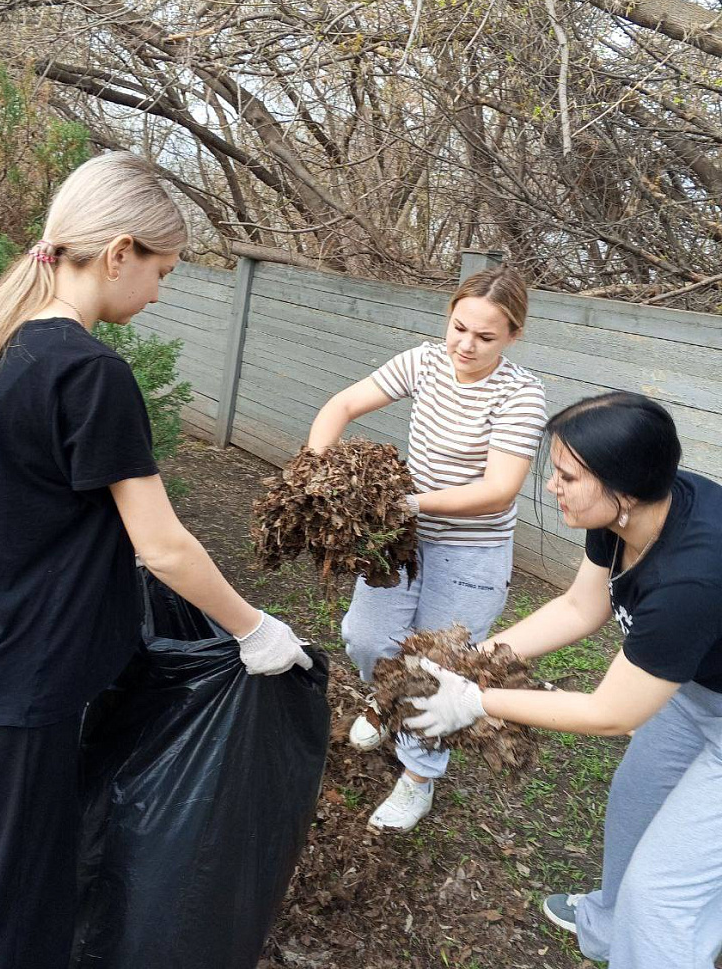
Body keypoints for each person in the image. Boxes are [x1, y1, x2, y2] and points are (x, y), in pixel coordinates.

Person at [0, 152, 311, 969]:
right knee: (7, 897)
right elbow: (161, 544)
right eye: (161, 269)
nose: (159, 291)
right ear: (119, 252)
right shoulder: (90, 373)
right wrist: (255, 629)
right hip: (22, 672)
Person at [404, 391, 722, 969]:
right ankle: (607, 927)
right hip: (696, 688)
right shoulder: (627, 512)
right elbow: (581, 607)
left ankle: (652, 938)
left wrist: (476, 699)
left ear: (622, 490)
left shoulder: (693, 579)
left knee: (663, 899)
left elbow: (612, 714)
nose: (552, 486)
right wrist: (470, 659)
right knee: (634, 801)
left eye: (566, 476)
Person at [306, 265, 547, 830]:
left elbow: (498, 490)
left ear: (513, 335)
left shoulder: (521, 394)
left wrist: (408, 505)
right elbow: (340, 407)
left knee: (439, 669)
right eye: (458, 327)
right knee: (364, 636)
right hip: (406, 539)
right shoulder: (423, 361)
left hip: (472, 550)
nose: (465, 345)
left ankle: (417, 779)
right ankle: (386, 702)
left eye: (486, 337)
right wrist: (316, 474)